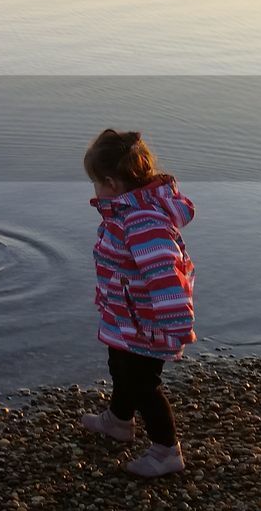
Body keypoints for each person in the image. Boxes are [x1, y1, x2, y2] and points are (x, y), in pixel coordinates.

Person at [80, 128, 196, 477]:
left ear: (112, 183)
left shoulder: (143, 221)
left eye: (96, 183)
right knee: (120, 367)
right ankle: (118, 420)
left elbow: (165, 277)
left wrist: (175, 324)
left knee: (143, 385)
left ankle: (166, 451)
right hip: (127, 316)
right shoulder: (124, 212)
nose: (95, 190)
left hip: (149, 324)